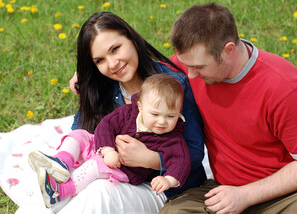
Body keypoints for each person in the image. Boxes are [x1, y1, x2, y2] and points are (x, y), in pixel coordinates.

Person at [42, 11, 206, 212]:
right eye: (100, 60)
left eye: (115, 49)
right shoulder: (102, 88)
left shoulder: (173, 85)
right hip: (116, 175)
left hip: (162, 189)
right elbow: (83, 137)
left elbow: (196, 152)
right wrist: (87, 88)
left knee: (99, 192)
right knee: (53, 193)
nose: (112, 64)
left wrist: (150, 159)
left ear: (131, 38)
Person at [160, 2, 297, 214]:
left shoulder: (283, 86)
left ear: (228, 50)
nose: (190, 75)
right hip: (222, 191)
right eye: (186, 65)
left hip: (280, 195)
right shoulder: (189, 66)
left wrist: (246, 195)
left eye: (198, 67)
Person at [29, 74, 191, 208]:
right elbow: (106, 126)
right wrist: (108, 150)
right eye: (155, 114)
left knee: (94, 166)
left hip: (125, 169)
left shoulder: (173, 138)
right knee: (79, 135)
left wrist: (168, 180)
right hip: (106, 148)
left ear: (179, 113)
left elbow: (181, 162)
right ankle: (61, 162)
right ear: (141, 107)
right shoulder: (128, 113)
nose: (162, 122)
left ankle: (60, 191)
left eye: (171, 116)